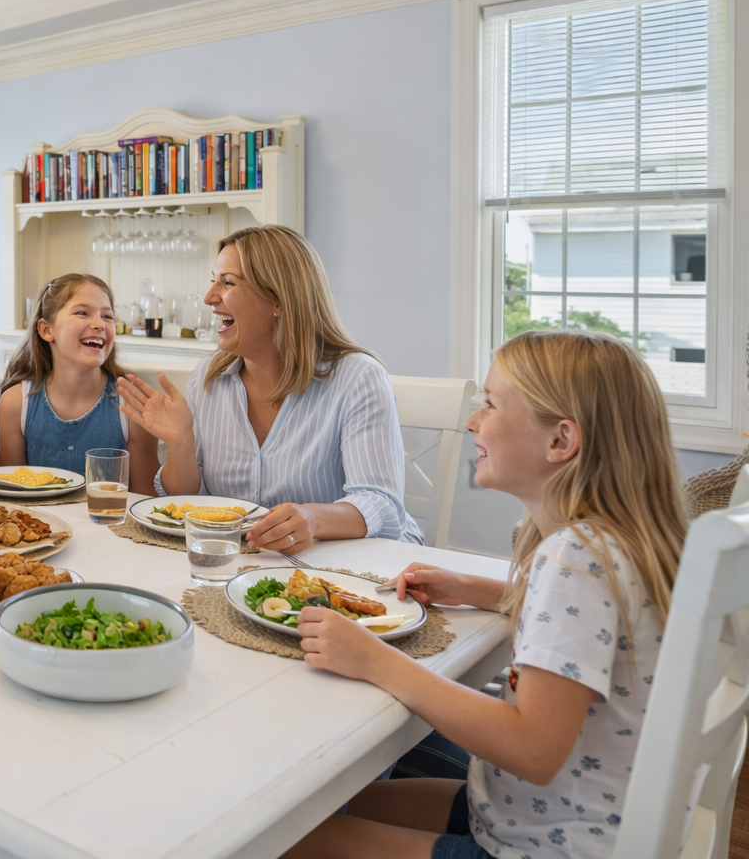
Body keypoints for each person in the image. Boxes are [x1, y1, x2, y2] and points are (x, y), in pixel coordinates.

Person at [282, 329, 688, 859]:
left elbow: (533, 748)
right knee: (334, 808)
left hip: (547, 843)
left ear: (560, 441)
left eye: (491, 404)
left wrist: (374, 660)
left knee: (282, 839)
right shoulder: (611, 544)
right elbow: (589, 626)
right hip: (552, 815)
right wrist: (486, 590)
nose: (473, 421)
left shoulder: (575, 559)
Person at [117, 224, 419, 551]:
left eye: (228, 282)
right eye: (213, 280)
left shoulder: (358, 378)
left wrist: (314, 519)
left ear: (278, 298)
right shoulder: (208, 378)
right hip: (248, 561)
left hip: (347, 564)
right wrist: (181, 444)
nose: (209, 297)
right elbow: (186, 500)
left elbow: (382, 505)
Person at [0, 274, 158, 494]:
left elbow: (143, 500)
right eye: (82, 312)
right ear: (46, 330)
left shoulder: (134, 404)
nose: (99, 324)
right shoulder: (15, 404)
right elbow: (9, 496)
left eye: (107, 316)